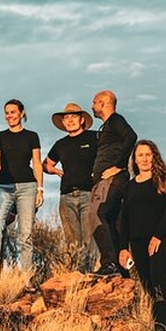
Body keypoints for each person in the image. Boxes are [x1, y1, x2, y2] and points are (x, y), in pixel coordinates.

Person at [118, 140, 166, 331]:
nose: (144, 159)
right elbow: (124, 219)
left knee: (159, 281)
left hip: (162, 240)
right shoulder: (129, 187)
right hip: (138, 243)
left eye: (148, 154)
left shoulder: (164, 179)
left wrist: (158, 236)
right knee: (148, 286)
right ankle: (156, 328)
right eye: (140, 155)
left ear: (155, 156)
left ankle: (165, 330)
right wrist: (123, 248)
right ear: (134, 160)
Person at [0, 99, 43, 292]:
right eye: (6, 113)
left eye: (13, 112)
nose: (9, 116)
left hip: (28, 186)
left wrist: (40, 190)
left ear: (21, 113)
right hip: (3, 185)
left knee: (25, 232)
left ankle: (26, 277)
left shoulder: (32, 136)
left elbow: (37, 163)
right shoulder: (0, 136)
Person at [45, 102, 99, 272]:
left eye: (73, 117)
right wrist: (56, 171)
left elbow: (109, 155)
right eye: (66, 118)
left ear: (82, 120)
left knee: (90, 237)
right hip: (66, 195)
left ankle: (90, 274)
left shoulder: (94, 137)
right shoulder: (61, 144)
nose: (69, 120)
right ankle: (77, 275)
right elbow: (45, 164)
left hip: (89, 193)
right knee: (72, 240)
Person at [88, 90, 138, 276]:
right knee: (112, 220)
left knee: (97, 214)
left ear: (103, 103)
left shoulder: (116, 120)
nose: (92, 106)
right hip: (107, 181)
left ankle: (109, 263)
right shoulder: (108, 126)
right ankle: (121, 269)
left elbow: (131, 137)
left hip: (113, 180)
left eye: (94, 102)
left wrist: (118, 166)